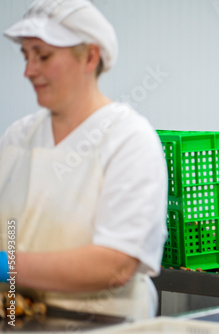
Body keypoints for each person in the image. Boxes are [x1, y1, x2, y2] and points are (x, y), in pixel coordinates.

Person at [0, 0, 167, 319]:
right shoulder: (18, 137)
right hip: (18, 317)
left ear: (90, 56)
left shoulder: (128, 139)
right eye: (26, 55)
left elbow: (115, 266)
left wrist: (6, 265)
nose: (29, 70)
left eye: (43, 56)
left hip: (100, 323)